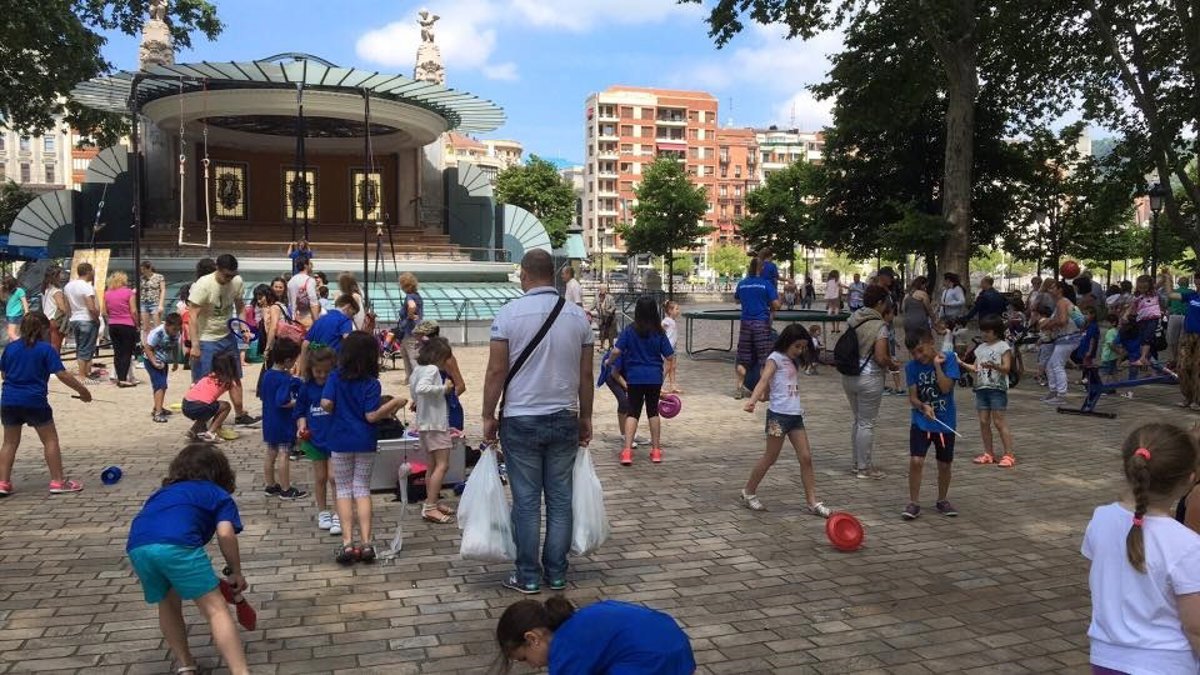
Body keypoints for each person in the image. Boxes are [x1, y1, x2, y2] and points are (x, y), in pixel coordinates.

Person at [482, 249, 593, 594]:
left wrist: (487, 415)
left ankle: (528, 575)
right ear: (553, 274)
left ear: (525, 275)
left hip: (520, 418)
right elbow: (586, 375)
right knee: (560, 499)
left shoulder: (508, 314)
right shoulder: (577, 317)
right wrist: (586, 416)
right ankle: (557, 572)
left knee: (527, 502)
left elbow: (496, 370)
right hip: (564, 416)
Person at [1083, 423, 1200, 674]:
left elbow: (1103, 579)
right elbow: (1195, 627)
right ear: (1190, 479)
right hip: (1166, 664)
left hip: (1106, 659)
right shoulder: (1188, 545)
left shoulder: (1101, 518)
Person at [126, 443, 249, 675]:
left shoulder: (161, 493)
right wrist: (235, 571)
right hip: (178, 545)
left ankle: (185, 665)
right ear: (221, 473)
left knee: (167, 602)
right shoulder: (218, 495)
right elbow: (225, 533)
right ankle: (240, 672)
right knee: (216, 609)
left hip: (138, 546)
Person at [321, 332, 406, 564]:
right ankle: (367, 543)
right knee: (361, 489)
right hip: (365, 441)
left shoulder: (335, 377)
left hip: (340, 440)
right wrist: (394, 403)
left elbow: (326, 403)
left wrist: (333, 407)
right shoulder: (371, 384)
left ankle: (347, 543)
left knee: (343, 490)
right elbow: (371, 416)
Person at [740, 324, 832, 517]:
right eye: (797, 346)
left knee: (806, 458)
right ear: (787, 342)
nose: (799, 351)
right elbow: (764, 379)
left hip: (795, 416)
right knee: (770, 457)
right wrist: (752, 401)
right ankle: (748, 491)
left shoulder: (792, 361)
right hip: (778, 417)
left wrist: (766, 395)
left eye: (803, 347)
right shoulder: (775, 358)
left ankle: (812, 502)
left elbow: (775, 384)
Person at [0, 312, 92, 497]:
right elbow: (62, 374)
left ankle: (3, 482)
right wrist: (83, 391)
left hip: (9, 399)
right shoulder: (46, 349)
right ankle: (58, 481)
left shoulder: (10, 348)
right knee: (50, 440)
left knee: (9, 442)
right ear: (43, 329)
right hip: (35, 400)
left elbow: (4, 374)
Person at [496, 597, 695, 674]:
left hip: (653, 660)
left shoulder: (564, 652)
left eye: (524, 658)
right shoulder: (578, 621)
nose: (532, 666)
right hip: (679, 650)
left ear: (533, 638)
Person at [188, 254, 256, 428]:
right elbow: (192, 316)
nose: (229, 279)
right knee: (204, 381)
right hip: (206, 338)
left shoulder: (236, 281)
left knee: (234, 376)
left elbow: (240, 306)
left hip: (227, 336)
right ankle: (201, 422)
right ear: (217, 268)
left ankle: (240, 414)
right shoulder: (203, 285)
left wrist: (243, 328)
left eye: (232, 275)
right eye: (226, 275)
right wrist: (195, 345)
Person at [605, 296, 674, 466]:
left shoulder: (630, 330)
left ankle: (627, 451)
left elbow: (616, 351)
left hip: (634, 377)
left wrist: (609, 362)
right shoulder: (659, 332)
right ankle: (656, 450)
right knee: (653, 412)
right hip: (654, 377)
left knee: (633, 412)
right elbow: (669, 357)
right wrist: (662, 375)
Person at [842, 286, 898, 480]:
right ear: (880, 303)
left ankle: (856, 463)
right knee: (866, 423)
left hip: (849, 375)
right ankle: (864, 467)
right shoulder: (879, 326)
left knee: (858, 420)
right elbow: (881, 357)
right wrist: (892, 364)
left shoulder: (854, 318)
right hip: (870, 376)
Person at [903, 329, 959, 520]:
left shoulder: (949, 359)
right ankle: (914, 502)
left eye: (921, 350)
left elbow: (945, 388)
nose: (918, 356)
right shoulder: (911, 367)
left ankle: (942, 499)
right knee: (916, 461)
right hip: (921, 421)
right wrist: (923, 406)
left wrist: (937, 366)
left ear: (931, 342)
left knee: (944, 464)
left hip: (945, 421)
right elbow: (913, 397)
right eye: (914, 353)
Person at [410, 336, 458, 524]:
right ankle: (430, 506)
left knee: (432, 466)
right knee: (442, 465)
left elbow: (415, 392)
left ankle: (432, 501)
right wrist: (444, 388)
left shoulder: (417, 369)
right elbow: (422, 389)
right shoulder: (431, 369)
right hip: (436, 425)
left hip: (424, 424)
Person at [295, 346, 340, 535]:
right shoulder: (307, 387)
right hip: (314, 439)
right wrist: (301, 426)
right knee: (320, 478)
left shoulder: (336, 385)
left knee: (334, 478)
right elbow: (300, 411)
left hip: (334, 438)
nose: (322, 375)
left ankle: (339, 513)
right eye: (318, 371)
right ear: (311, 369)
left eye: (326, 372)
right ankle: (323, 512)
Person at [259, 338, 308, 501]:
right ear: (287, 360)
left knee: (270, 453)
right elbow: (283, 401)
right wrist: (299, 402)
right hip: (282, 423)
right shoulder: (284, 378)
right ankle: (286, 488)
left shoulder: (267, 375)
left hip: (269, 421)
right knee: (284, 454)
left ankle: (270, 485)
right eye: (294, 360)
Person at [963, 316, 1015, 467]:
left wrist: (994, 366)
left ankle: (1009, 454)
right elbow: (975, 368)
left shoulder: (1003, 346)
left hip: (997, 388)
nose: (984, 334)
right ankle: (988, 453)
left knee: (999, 421)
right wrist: (960, 363)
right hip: (981, 388)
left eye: (988, 331)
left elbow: (1006, 368)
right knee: (983, 421)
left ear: (996, 332)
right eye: (983, 331)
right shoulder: (980, 348)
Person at [733, 258, 780, 399]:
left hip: (746, 323)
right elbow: (776, 305)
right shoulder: (766, 284)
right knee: (764, 359)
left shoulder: (742, 284)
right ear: (762, 269)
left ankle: (739, 388)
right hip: (761, 323)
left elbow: (737, 299)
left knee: (743, 358)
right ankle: (763, 393)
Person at [1038, 280, 1081, 406]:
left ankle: (1061, 395)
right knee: (1051, 365)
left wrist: (1048, 323)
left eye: (1052, 288)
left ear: (1060, 290)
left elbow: (1062, 321)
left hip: (1068, 338)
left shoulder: (1062, 302)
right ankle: (1054, 391)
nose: (1049, 290)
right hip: (1067, 338)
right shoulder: (1063, 302)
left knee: (1056, 365)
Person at [182, 352, 236, 442]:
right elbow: (236, 397)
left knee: (208, 409)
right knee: (226, 406)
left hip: (186, 405)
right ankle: (211, 432)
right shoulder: (227, 381)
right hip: (200, 406)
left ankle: (192, 431)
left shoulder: (207, 376)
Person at [298, 293, 357, 374]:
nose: (352, 317)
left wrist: (302, 372)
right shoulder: (345, 320)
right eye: (353, 313)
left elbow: (305, 344)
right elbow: (348, 340)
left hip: (316, 368)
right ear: (348, 307)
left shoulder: (320, 320)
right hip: (333, 368)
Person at [1167, 273, 1200, 409]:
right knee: (1182, 366)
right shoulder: (1192, 296)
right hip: (1188, 335)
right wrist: (1168, 279)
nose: (1198, 284)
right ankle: (1188, 397)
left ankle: (1197, 400)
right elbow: (1171, 295)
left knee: (1198, 368)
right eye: (1197, 282)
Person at [64, 262, 101, 382]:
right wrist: (96, 318)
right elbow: (91, 307)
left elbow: (67, 306)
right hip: (87, 319)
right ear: (88, 272)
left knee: (80, 346)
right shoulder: (87, 287)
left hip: (75, 318)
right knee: (86, 347)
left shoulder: (68, 286)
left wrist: (71, 317)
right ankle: (82, 375)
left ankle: (85, 372)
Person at [144, 313, 183, 423]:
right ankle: (158, 413)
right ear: (167, 325)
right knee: (160, 385)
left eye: (178, 329)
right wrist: (154, 362)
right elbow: (147, 348)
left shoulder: (176, 333)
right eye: (174, 329)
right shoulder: (158, 333)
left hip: (163, 362)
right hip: (151, 360)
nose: (176, 332)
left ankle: (158, 407)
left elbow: (175, 347)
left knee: (163, 385)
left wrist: (175, 361)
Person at [103, 270, 139, 387]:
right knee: (126, 353)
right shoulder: (129, 292)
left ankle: (119, 377)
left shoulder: (107, 294)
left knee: (117, 352)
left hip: (113, 324)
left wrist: (111, 319)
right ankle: (123, 379)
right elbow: (133, 311)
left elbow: (105, 311)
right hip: (127, 324)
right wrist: (137, 324)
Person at [1127, 274, 1164, 367]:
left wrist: (1165, 275)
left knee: (1147, 338)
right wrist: (1125, 316)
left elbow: (1160, 283)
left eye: (1145, 288)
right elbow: (1131, 307)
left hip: (1153, 318)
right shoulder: (1138, 296)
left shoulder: (1154, 293)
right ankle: (1145, 358)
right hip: (1141, 319)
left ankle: (1143, 358)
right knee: (1143, 339)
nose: (1142, 290)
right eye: (1140, 287)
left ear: (1149, 287)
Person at [396, 272, 424, 384]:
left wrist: (410, 315)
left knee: (412, 356)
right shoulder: (418, 296)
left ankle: (418, 379)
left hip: (410, 331)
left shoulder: (409, 297)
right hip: (415, 330)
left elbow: (412, 306)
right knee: (404, 352)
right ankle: (409, 377)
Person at [286, 254, 322, 329]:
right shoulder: (309, 280)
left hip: (294, 319)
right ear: (306, 265)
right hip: (308, 319)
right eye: (309, 264)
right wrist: (317, 323)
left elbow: (290, 302)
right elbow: (313, 303)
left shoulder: (291, 281)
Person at [39, 265, 68, 352]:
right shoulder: (56, 291)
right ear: (56, 276)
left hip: (46, 319)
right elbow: (62, 307)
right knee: (55, 346)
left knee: (49, 345)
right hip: (55, 320)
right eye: (60, 274)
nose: (62, 276)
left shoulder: (46, 289)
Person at [138, 261, 166, 341]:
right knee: (145, 327)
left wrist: (161, 304)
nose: (142, 271)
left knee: (157, 326)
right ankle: (146, 344)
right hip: (144, 303)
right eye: (141, 269)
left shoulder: (159, 277)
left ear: (149, 268)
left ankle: (158, 343)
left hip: (155, 303)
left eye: (144, 269)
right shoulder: (142, 278)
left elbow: (163, 290)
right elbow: (139, 289)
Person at [1167, 276, 1191, 367]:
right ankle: (1182, 360)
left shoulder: (1174, 292)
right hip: (1187, 317)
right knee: (1183, 340)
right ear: (1188, 284)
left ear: (1179, 283)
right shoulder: (1192, 292)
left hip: (1174, 316)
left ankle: (1174, 359)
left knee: (1172, 340)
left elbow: (1168, 305)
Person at [901, 276, 934, 341]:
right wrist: (935, 322)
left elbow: (903, 309)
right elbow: (929, 310)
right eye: (925, 286)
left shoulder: (907, 295)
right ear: (921, 284)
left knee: (913, 342)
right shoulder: (923, 294)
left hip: (908, 322)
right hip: (921, 321)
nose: (925, 288)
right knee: (927, 342)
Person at [662, 300, 682, 394]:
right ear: (670, 311)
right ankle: (659, 385)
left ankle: (673, 385)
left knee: (673, 367)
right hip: (668, 348)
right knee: (667, 367)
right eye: (676, 309)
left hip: (674, 347)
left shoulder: (672, 321)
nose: (678, 311)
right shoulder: (667, 320)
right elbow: (661, 327)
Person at [593, 284, 617, 352]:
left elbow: (614, 307)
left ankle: (611, 346)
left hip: (610, 318)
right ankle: (602, 346)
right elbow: (593, 305)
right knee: (602, 332)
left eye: (602, 289)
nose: (601, 290)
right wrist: (587, 310)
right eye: (600, 289)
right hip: (602, 317)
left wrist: (609, 311)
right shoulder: (597, 297)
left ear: (606, 290)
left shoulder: (610, 297)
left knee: (610, 332)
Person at [3, 276, 27, 343]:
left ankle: (23, 343)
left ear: (11, 283)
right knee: (14, 334)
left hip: (14, 315)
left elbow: (24, 302)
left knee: (11, 333)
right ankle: (13, 346)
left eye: (6, 284)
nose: (5, 286)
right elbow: (2, 298)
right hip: (9, 314)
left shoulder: (19, 291)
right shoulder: (7, 291)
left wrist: (27, 312)